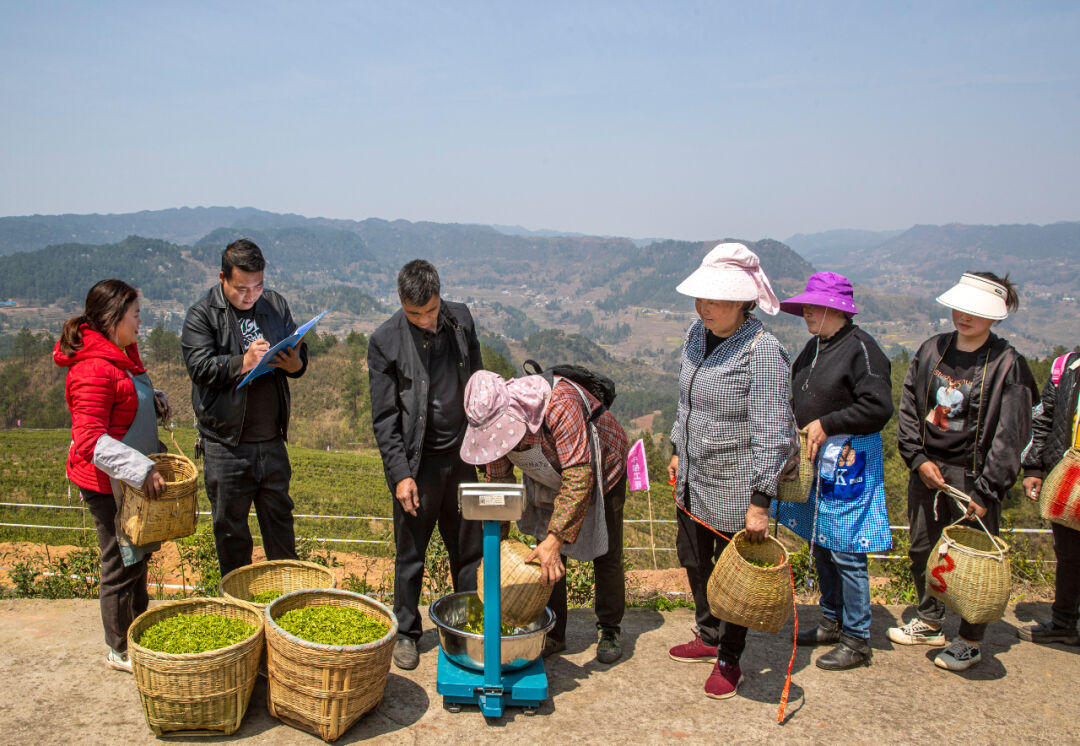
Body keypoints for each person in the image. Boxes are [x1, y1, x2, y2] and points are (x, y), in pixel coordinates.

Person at [665, 242, 794, 699]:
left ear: (743, 301)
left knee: (734, 577)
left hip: (736, 488)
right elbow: (687, 400)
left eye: (716, 300)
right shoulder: (695, 335)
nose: (704, 308)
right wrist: (678, 447)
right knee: (695, 560)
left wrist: (760, 500)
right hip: (694, 478)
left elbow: (773, 433)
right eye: (701, 298)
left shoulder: (761, 352)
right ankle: (707, 634)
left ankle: (730, 657)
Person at [891, 272, 1037, 671]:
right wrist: (917, 459)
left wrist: (988, 490)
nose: (964, 316)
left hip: (973, 477)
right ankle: (930, 618)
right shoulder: (931, 350)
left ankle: (970, 639)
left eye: (975, 311)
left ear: (995, 316)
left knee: (974, 560)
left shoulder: (1009, 366)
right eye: (960, 307)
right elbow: (908, 407)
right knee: (923, 547)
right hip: (928, 470)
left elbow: (1011, 435)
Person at [461, 369, 629, 663]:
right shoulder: (495, 428)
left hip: (601, 467)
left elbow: (579, 476)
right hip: (548, 474)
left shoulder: (559, 404)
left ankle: (609, 628)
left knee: (606, 551)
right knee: (544, 554)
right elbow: (499, 485)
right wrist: (495, 545)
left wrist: (556, 539)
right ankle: (553, 631)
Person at [773, 272, 894, 670]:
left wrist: (828, 423)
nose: (806, 312)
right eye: (805, 306)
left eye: (813, 306)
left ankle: (857, 638)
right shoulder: (815, 347)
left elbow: (877, 407)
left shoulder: (862, 350)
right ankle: (831, 619)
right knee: (822, 541)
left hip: (848, 463)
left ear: (836, 308)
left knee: (847, 548)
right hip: (816, 459)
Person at [368, 259, 484, 670]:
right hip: (419, 464)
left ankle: (468, 628)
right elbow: (384, 418)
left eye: (431, 311)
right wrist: (400, 476)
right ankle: (406, 632)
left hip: (462, 456)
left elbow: (479, 382)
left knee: (469, 550)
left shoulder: (461, 321)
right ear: (401, 305)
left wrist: (487, 446)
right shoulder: (385, 341)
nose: (424, 320)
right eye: (414, 314)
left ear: (440, 297)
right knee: (411, 552)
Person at [53, 279, 170, 673]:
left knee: (136, 558)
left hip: (127, 483)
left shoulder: (119, 355)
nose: (140, 323)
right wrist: (142, 470)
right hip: (108, 485)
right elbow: (89, 440)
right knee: (120, 561)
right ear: (112, 318)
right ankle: (119, 648)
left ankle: (136, 632)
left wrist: (154, 405)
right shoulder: (92, 368)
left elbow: (124, 400)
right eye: (136, 315)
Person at [181, 239, 308, 578]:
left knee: (280, 526)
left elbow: (299, 356)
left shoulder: (275, 305)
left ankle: (285, 602)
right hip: (227, 445)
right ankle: (239, 609)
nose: (251, 295)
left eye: (258, 286)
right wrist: (243, 361)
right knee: (232, 534)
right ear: (222, 278)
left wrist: (295, 363)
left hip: (271, 441)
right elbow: (199, 368)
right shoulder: (202, 314)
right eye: (241, 288)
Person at [1020, 349, 1080, 644]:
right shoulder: (1066, 367)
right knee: (1068, 553)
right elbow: (1043, 420)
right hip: (1069, 475)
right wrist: (1033, 466)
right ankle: (1064, 621)